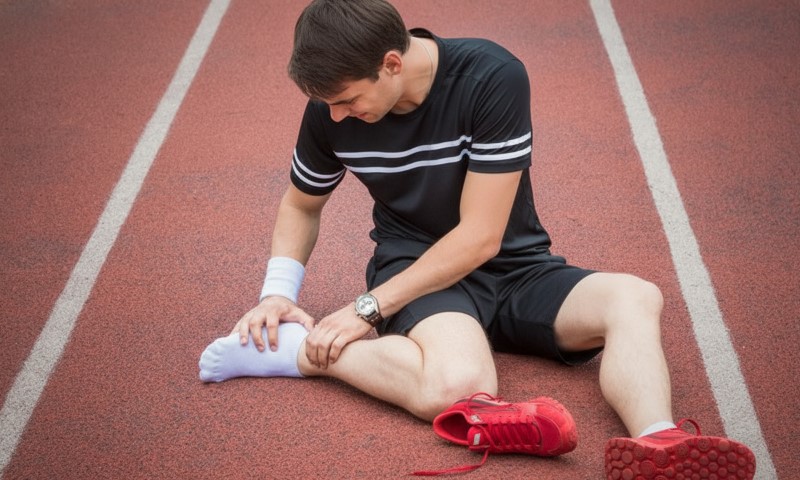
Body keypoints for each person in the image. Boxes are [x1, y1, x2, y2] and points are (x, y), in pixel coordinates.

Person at [199, 1, 756, 478]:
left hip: (513, 264)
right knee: (458, 388)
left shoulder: (491, 78)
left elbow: (480, 237)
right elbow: (302, 202)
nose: (339, 117)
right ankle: (300, 353)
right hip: (414, 265)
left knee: (635, 296)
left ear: (392, 63)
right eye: (330, 106)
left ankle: (657, 442)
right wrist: (277, 292)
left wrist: (366, 309)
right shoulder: (329, 111)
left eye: (347, 100)